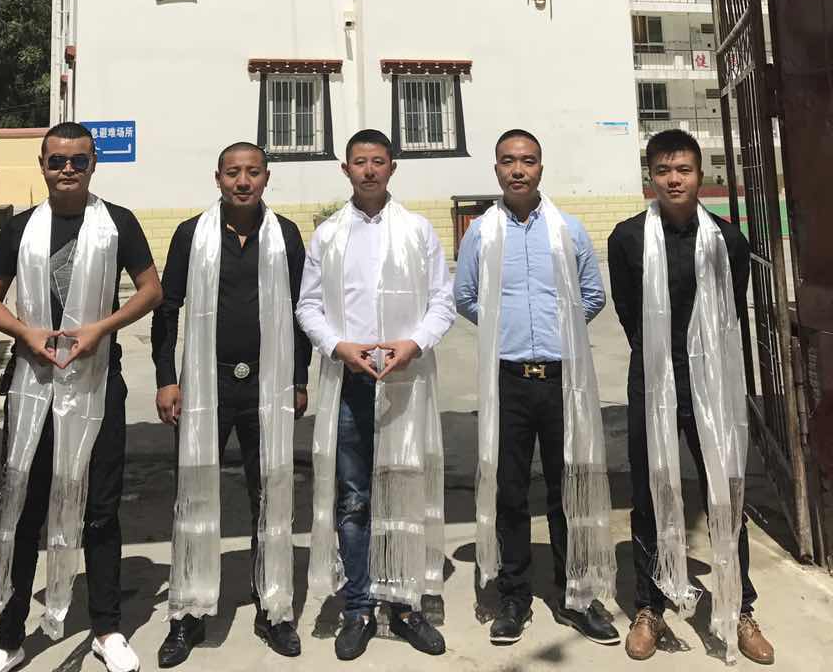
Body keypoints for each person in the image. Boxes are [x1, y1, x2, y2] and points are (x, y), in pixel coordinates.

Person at [0, 122, 162, 672]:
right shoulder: (21, 228)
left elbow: (151, 289)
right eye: (57, 161)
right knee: (25, 506)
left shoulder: (117, 223)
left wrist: (101, 327)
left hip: (98, 380)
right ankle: (10, 638)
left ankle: (106, 629)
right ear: (43, 165)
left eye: (79, 160)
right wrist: (25, 333)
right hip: (33, 383)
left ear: (93, 164)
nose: (68, 170)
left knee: (99, 508)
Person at [609, 129, 774, 665]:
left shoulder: (727, 240)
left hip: (712, 384)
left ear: (701, 175)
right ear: (650, 177)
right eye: (663, 170)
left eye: (683, 169)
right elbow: (629, 313)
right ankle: (649, 606)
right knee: (649, 492)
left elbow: (730, 315)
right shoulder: (628, 239)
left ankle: (739, 608)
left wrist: (701, 365)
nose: (673, 180)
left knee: (725, 496)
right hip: (653, 381)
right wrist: (660, 360)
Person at [454, 129, 619, 648]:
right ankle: (513, 597)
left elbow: (592, 294)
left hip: (561, 379)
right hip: (507, 381)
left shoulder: (567, 229)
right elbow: (465, 296)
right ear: (496, 169)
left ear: (541, 168)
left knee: (568, 488)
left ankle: (576, 596)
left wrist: (559, 330)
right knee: (509, 491)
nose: (518, 170)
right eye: (508, 161)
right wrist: (503, 329)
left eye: (527, 161)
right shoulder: (481, 233)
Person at [296, 129, 455, 662]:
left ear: (392, 168)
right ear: (345, 169)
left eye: (378, 161)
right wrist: (338, 347)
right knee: (355, 498)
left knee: (403, 491)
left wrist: (414, 343)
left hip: (405, 379)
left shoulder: (417, 230)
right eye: (359, 162)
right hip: (351, 382)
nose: (369, 170)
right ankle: (359, 605)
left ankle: (404, 603)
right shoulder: (328, 235)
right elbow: (308, 306)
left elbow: (442, 300)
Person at [151, 142, 311, 663]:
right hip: (206, 384)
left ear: (267, 178)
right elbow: (167, 308)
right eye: (233, 173)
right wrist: (167, 379)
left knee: (271, 492)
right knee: (196, 494)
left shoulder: (285, 235)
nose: (243, 181)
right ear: (217, 178)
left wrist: (299, 377)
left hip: (268, 383)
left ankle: (273, 608)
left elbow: (302, 310)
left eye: (253, 172)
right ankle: (189, 614)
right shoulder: (191, 234)